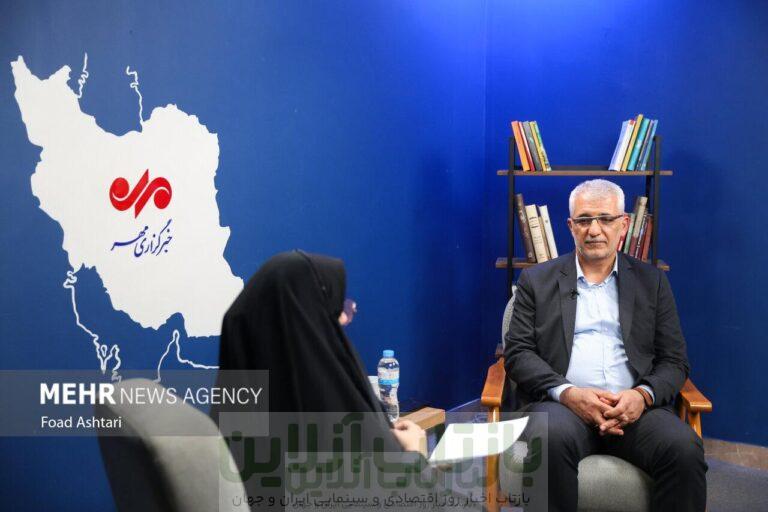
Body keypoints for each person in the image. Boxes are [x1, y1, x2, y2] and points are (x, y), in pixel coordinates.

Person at [504, 179, 706, 512]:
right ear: (571, 226)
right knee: (548, 439)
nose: (594, 230)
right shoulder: (536, 280)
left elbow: (674, 360)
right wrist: (568, 393)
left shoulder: (652, 282)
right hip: (563, 409)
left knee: (684, 448)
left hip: (636, 412)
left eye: (605, 219)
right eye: (584, 220)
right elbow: (518, 354)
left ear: (623, 224)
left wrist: (642, 396)